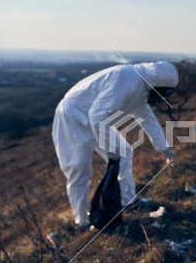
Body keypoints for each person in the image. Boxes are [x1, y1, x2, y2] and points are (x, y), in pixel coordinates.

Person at [52, 61, 178, 230]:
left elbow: (147, 117)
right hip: (72, 117)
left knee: (124, 152)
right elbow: (97, 114)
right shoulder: (127, 79)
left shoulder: (141, 87)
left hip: (94, 119)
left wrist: (163, 147)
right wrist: (111, 151)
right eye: (163, 92)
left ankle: (129, 201)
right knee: (79, 170)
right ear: (157, 85)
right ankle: (82, 222)